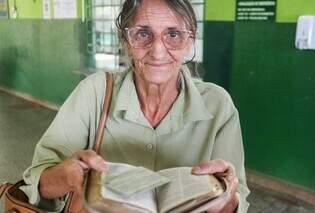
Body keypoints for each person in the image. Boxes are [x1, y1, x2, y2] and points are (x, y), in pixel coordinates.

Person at [21, 0, 250, 212]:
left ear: (190, 41)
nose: (158, 51)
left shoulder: (218, 105)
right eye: (142, 33)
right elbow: (38, 183)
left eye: (173, 34)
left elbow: (236, 200)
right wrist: (68, 175)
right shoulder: (94, 93)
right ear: (126, 41)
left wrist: (225, 197)